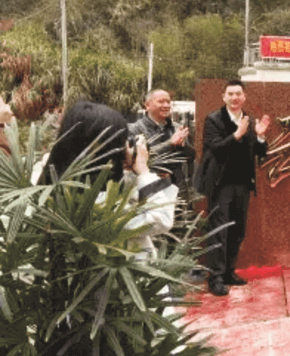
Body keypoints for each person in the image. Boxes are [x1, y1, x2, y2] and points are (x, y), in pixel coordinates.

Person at [44, 100, 177, 258]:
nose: (125, 146)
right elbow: (162, 218)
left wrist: (129, 171)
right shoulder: (97, 204)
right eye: (120, 140)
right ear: (105, 147)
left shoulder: (55, 179)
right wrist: (143, 170)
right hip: (124, 270)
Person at [194, 80, 270, 297]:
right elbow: (215, 148)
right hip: (221, 184)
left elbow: (259, 152)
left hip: (242, 183)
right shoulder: (214, 120)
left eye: (238, 94)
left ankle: (228, 272)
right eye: (231, 94)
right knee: (219, 231)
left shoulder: (249, 120)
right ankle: (215, 278)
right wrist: (236, 135)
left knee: (237, 230)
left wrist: (260, 136)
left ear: (244, 97)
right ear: (224, 97)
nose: (235, 97)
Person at [128, 89, 194, 188]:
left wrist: (183, 145)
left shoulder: (177, 128)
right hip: (148, 188)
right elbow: (135, 159)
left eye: (168, 102)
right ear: (147, 105)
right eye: (161, 102)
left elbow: (191, 157)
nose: (166, 105)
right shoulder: (134, 129)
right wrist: (170, 144)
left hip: (177, 187)